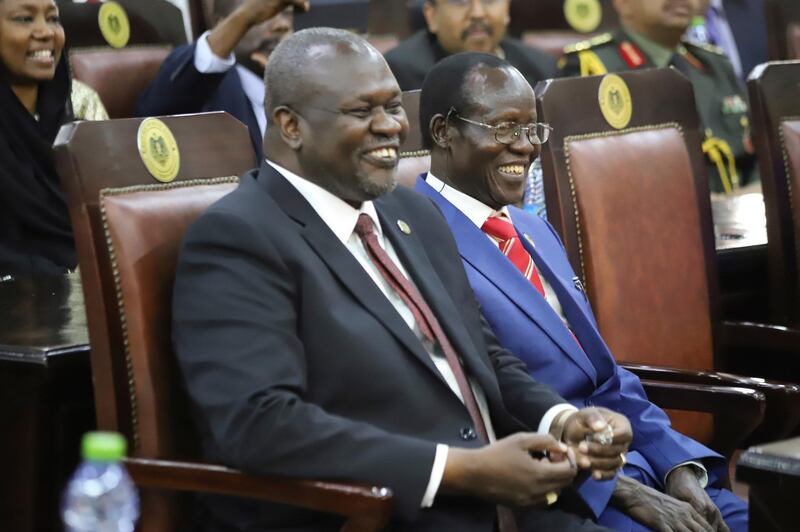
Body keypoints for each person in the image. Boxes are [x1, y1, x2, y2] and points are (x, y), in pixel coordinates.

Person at [172, 27, 634, 532]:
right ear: (290, 126)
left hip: (508, 503)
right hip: (381, 513)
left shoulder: (410, 211)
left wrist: (561, 420)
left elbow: (482, 354)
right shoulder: (239, 236)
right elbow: (261, 424)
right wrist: (458, 470)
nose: (389, 127)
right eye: (361, 111)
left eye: (393, 107)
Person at [414, 51, 748, 532]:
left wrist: (678, 466)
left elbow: (606, 377)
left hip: (636, 463)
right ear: (444, 132)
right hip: (555, 493)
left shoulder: (530, 228)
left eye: (532, 130)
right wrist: (623, 491)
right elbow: (485, 401)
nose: (525, 147)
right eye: (506, 128)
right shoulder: (416, 237)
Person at [559, 0, 757, 195]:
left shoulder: (715, 64)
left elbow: (759, 155)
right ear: (623, 3)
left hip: (741, 215)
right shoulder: (593, 67)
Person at [0, 0, 105, 274]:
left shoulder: (80, 113)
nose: (46, 32)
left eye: (53, 19)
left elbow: (110, 219)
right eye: (24, 19)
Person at [135, 0, 306, 161]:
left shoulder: (300, 84)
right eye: (264, 14)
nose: (282, 25)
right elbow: (163, 106)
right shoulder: (204, 86)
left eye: (286, 13)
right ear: (221, 23)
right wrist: (246, 16)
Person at [384, 0, 555, 91]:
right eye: (460, 1)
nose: (477, 13)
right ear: (432, 16)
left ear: (507, 8)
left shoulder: (542, 69)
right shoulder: (401, 72)